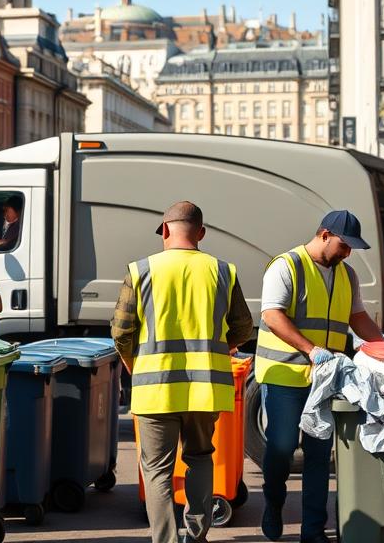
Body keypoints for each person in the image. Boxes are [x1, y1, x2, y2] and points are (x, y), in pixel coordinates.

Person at [112, 201, 254, 543]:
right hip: (205, 389)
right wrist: (223, 348)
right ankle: (197, 535)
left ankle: (166, 540)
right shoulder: (223, 271)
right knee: (201, 459)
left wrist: (135, 366)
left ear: (164, 231)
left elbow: (121, 331)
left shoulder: (140, 270)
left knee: (157, 472)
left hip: (154, 389)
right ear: (201, 233)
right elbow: (244, 328)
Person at [255, 210, 384, 543]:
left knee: (318, 455)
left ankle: (312, 530)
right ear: (325, 234)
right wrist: (310, 348)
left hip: (327, 380)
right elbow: (272, 315)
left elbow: (357, 318)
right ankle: (273, 502)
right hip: (285, 373)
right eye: (344, 245)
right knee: (282, 449)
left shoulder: (348, 274)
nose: (348, 253)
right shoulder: (286, 265)